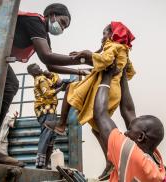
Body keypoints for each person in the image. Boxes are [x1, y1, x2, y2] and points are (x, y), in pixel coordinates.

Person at [0, 3, 90, 165]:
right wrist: (82, 58)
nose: (62, 28)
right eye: (62, 23)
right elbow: (47, 57)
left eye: (65, 27)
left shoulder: (44, 35)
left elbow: (51, 66)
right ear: (52, 15)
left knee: (11, 85)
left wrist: (79, 71)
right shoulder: (36, 21)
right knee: (11, 85)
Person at [45, 21, 136, 179]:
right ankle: (110, 162)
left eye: (105, 33)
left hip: (104, 89)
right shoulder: (124, 51)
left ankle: (61, 125)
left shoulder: (113, 46)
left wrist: (88, 54)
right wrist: (86, 55)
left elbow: (105, 60)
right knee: (97, 128)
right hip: (114, 91)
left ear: (113, 34)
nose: (103, 37)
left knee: (70, 89)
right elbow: (130, 72)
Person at [92, 65, 166, 181]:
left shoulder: (131, 155)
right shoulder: (155, 161)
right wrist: (122, 72)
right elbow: (128, 111)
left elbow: (100, 114)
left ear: (141, 137)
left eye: (129, 130)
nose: (125, 133)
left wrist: (107, 76)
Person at [27, 63, 63, 169]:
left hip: (45, 109)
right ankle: (41, 163)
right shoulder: (41, 79)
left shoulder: (42, 78)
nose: (40, 68)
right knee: (47, 134)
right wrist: (61, 88)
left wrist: (50, 74)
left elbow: (57, 82)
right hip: (46, 109)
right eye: (36, 68)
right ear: (33, 72)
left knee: (51, 136)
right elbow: (48, 94)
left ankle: (45, 163)